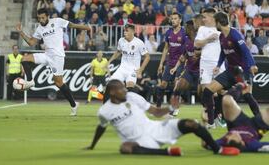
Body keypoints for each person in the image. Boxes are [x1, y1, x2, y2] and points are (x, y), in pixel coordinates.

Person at [84, 80, 240, 156]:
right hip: (139, 142)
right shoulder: (104, 111)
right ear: (112, 93)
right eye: (121, 90)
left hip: (155, 128)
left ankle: (217, 149)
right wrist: (92, 145)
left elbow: (156, 112)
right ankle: (169, 152)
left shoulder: (132, 96)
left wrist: (171, 108)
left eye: (125, 88)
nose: (125, 91)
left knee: (192, 124)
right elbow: (101, 127)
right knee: (125, 147)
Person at [16, 8, 91, 116]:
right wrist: (20, 32)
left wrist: (86, 28)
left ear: (47, 16)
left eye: (43, 17)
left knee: (58, 82)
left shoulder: (57, 21)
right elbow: (31, 42)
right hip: (47, 55)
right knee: (24, 59)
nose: (41, 20)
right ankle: (31, 81)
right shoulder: (39, 28)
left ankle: (74, 105)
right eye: (39, 18)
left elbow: (72, 25)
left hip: (57, 57)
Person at [202, 12, 260, 128]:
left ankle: (260, 121)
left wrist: (252, 65)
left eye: (215, 22)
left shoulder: (235, 34)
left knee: (247, 96)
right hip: (230, 71)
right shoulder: (221, 36)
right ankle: (211, 123)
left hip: (242, 71)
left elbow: (245, 51)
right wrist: (218, 65)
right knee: (208, 91)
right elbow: (223, 52)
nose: (214, 24)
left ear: (219, 22)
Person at [203, 82, 269, 153]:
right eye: (235, 137)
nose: (231, 135)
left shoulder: (223, 141)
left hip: (236, 123)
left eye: (229, 136)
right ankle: (247, 94)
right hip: (256, 128)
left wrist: (204, 122)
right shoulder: (252, 145)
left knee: (226, 100)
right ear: (242, 142)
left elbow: (205, 144)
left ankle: (240, 86)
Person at [193, 8, 224, 128]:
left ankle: (218, 116)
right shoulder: (202, 29)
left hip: (219, 64)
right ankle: (211, 122)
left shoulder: (220, 28)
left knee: (223, 91)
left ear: (212, 17)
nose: (203, 19)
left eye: (205, 17)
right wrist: (208, 39)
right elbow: (196, 44)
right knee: (207, 92)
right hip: (205, 64)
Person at [105, 24, 150, 102]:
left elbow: (147, 57)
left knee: (130, 87)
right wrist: (109, 62)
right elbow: (118, 52)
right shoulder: (121, 40)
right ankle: (105, 109)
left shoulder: (139, 43)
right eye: (124, 31)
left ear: (133, 31)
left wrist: (140, 70)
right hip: (122, 68)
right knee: (110, 85)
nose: (124, 32)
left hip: (133, 70)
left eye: (127, 31)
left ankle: (129, 108)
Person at [169, 16, 203, 116]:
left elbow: (207, 52)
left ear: (191, 28)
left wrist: (199, 55)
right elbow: (183, 56)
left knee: (203, 95)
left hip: (201, 72)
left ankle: (214, 114)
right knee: (177, 88)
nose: (185, 29)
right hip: (190, 70)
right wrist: (175, 67)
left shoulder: (200, 40)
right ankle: (174, 109)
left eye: (187, 27)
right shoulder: (186, 40)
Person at [156, 13, 187, 108]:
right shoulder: (168, 32)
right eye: (172, 19)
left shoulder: (184, 33)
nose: (173, 20)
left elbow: (187, 50)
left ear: (180, 20)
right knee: (162, 85)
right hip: (170, 63)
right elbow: (166, 49)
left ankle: (174, 108)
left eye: (175, 18)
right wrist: (161, 64)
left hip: (180, 63)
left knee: (176, 85)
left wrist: (185, 61)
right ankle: (158, 106)